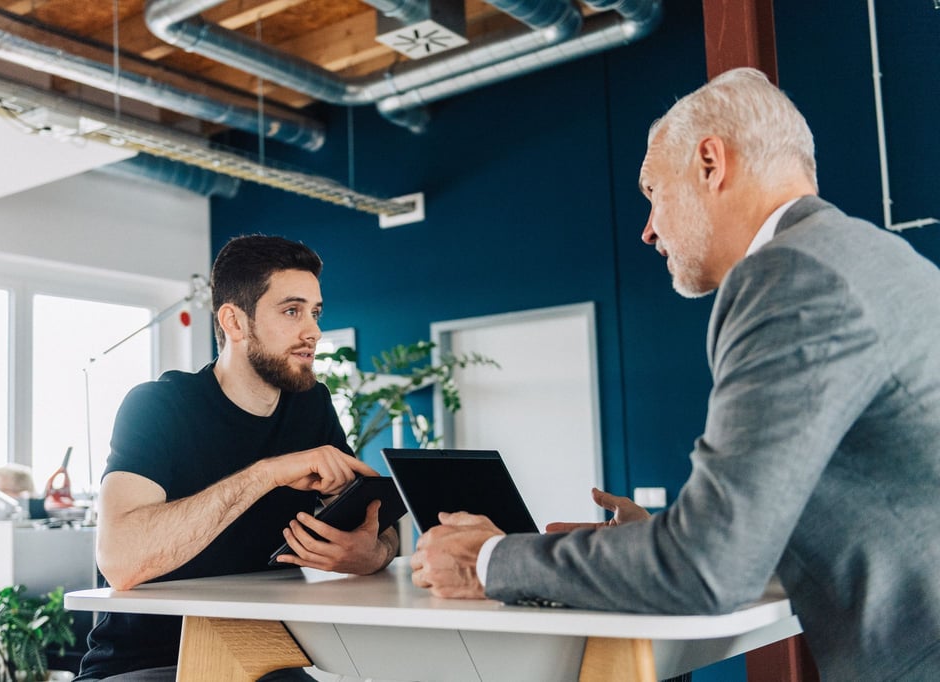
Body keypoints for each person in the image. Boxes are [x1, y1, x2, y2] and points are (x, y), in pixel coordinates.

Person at [410, 67, 940, 680]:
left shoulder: (791, 276)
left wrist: (489, 559)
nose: (648, 228)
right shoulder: (873, 257)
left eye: (653, 192)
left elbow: (708, 568)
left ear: (710, 163)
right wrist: (652, 540)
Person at [77, 235, 399, 681]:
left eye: (315, 312)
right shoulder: (158, 406)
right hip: (148, 663)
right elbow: (120, 561)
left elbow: (379, 523)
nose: (314, 331)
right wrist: (267, 474)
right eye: (292, 311)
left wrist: (372, 553)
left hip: (262, 657)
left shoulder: (311, 406)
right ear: (234, 321)